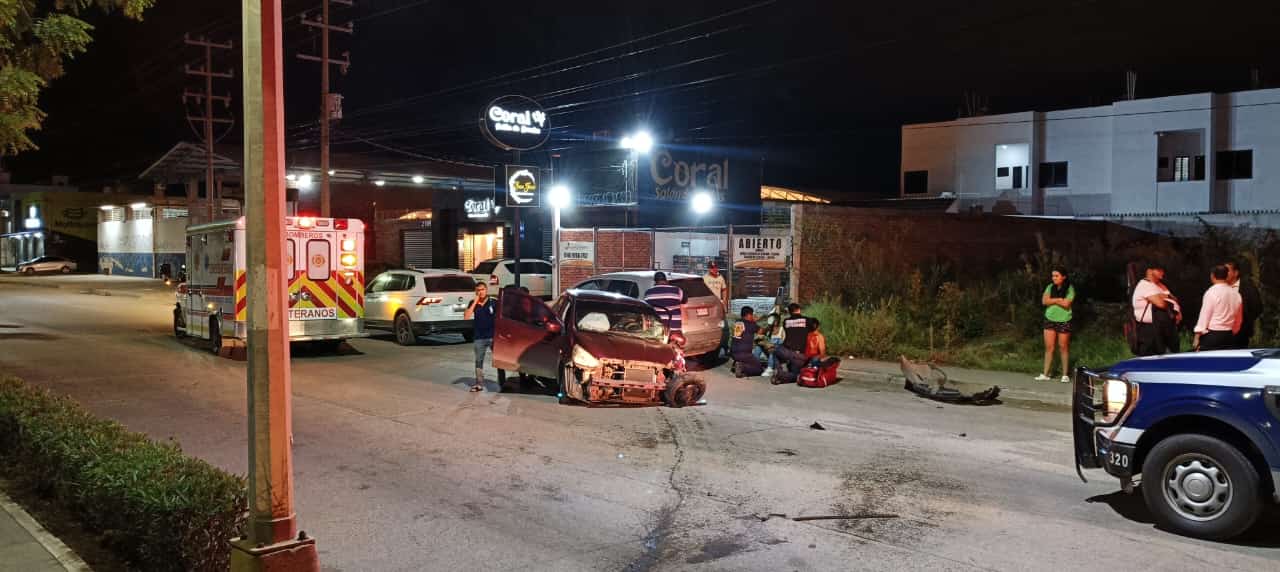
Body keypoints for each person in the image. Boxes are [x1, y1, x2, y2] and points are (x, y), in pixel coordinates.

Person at [1132, 263, 1181, 356]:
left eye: (1162, 269)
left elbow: (1174, 299)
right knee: (1151, 360)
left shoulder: (1161, 285)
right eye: (1159, 270)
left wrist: (1162, 296)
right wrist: (1165, 297)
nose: (1162, 272)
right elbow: (1161, 304)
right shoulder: (1145, 285)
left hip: (1165, 328)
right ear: (1149, 271)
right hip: (1150, 330)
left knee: (1171, 358)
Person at [1037, 268, 1075, 383]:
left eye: (1056, 276)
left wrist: (1052, 300)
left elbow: (1066, 304)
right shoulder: (1050, 287)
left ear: (1063, 277)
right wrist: (1058, 299)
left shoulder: (1069, 288)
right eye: (1053, 276)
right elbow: (1044, 301)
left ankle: (1065, 375)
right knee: (1049, 347)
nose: (1054, 278)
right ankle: (1045, 374)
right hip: (1050, 319)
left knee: (1063, 347)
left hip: (1063, 320)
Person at [1194, 264, 1243, 352]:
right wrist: (1232, 332)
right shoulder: (1236, 294)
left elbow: (1204, 317)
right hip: (1229, 336)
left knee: (1208, 363)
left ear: (1212, 276)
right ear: (1226, 276)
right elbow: (1238, 319)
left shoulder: (1212, 292)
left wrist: (1197, 337)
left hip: (1213, 336)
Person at [463, 282, 497, 392]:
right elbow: (466, 316)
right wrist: (475, 302)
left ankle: (503, 381)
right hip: (479, 337)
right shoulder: (473, 302)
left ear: (486, 290)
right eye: (478, 290)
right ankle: (479, 383)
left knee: (499, 359)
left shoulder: (493, 302)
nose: (480, 292)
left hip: (493, 336)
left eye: (482, 289)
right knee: (478, 360)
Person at [771, 303, 814, 383]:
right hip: (800, 356)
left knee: (775, 350)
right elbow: (812, 329)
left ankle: (779, 371)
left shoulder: (786, 321)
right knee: (796, 375)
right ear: (799, 310)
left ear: (789, 312)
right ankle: (782, 375)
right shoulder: (808, 320)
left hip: (787, 352)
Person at [1225, 261, 1263, 349]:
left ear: (1236, 273)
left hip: (1241, 333)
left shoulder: (1247, 286)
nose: (1224, 273)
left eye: (1227, 271)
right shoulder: (1220, 287)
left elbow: (1257, 307)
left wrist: (1244, 323)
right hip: (1222, 333)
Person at [730, 306, 765, 377]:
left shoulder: (737, 322)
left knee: (750, 362)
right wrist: (754, 321)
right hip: (744, 353)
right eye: (752, 315)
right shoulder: (750, 324)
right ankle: (742, 367)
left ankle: (738, 365)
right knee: (759, 369)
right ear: (749, 315)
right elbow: (761, 331)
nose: (753, 316)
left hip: (733, 352)